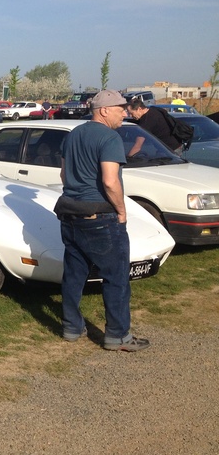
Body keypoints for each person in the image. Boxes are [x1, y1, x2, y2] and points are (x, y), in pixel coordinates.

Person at [55, 89, 149, 352]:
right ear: (104, 110)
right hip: (101, 217)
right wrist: (121, 211)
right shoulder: (110, 138)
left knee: (74, 274)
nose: (125, 113)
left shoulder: (73, 135)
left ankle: (71, 326)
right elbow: (110, 180)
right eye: (121, 109)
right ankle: (118, 335)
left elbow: (64, 174)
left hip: (71, 213)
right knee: (116, 276)